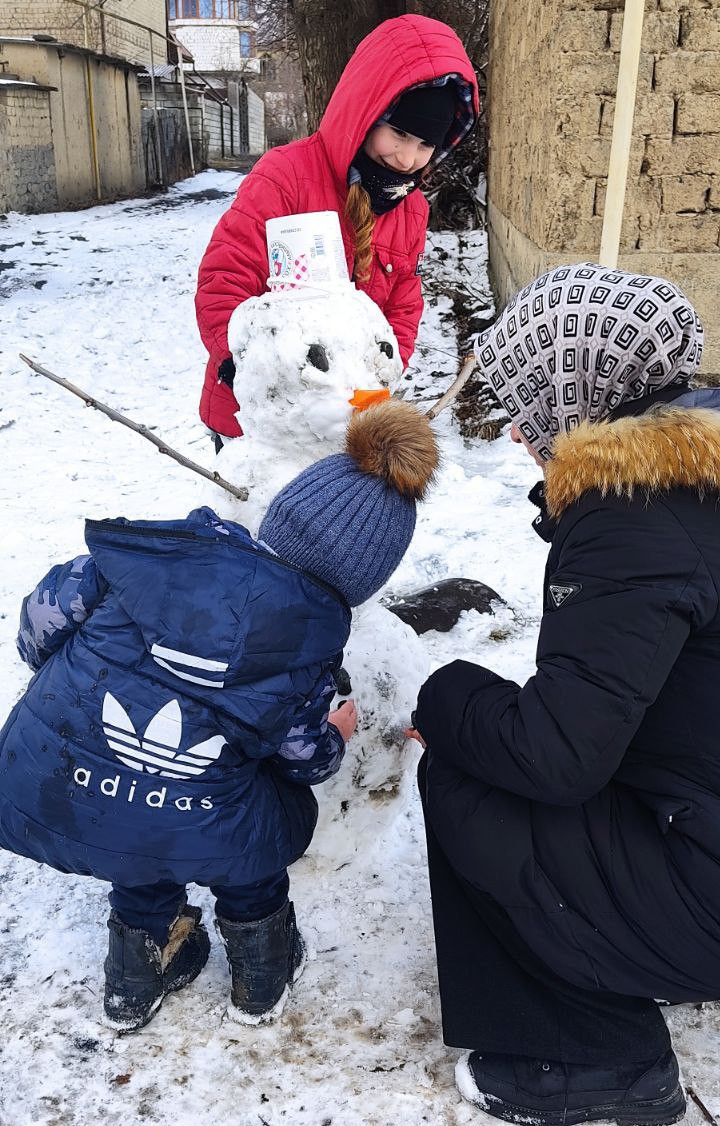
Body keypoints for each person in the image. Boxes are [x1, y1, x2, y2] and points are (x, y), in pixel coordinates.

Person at [0, 400, 438, 1033]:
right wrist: (334, 736)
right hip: (187, 815)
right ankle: (261, 974)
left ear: (283, 517)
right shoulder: (310, 647)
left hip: (49, 785)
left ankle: (135, 975)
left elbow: (40, 622)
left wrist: (64, 674)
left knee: (138, 830)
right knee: (252, 817)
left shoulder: (151, 558)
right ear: (363, 579)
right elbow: (302, 758)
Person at [411, 262, 714, 1125]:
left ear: (577, 390)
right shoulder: (700, 477)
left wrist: (444, 697)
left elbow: (557, 758)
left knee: (472, 780)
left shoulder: (635, 514)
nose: (515, 433)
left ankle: (598, 1057)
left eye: (527, 401)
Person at [195, 14, 478, 440]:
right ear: (368, 111)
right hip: (259, 418)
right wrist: (249, 371)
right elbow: (224, 280)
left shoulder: (412, 209)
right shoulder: (286, 176)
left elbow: (402, 306)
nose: (406, 158)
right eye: (399, 133)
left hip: (349, 420)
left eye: (425, 145)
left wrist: (380, 379)